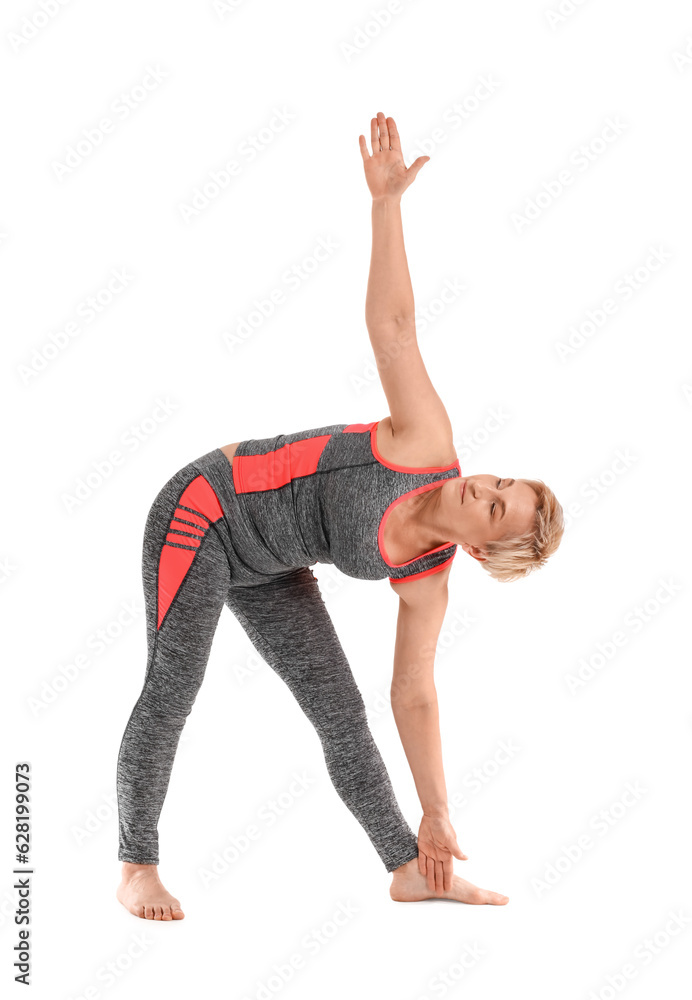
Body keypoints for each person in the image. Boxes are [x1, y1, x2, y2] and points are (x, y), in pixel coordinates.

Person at [115, 112, 564, 920]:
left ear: (486, 547)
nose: (481, 487)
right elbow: (392, 327)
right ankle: (137, 865)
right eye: (498, 480)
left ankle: (406, 867)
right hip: (203, 508)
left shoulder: (428, 579)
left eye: (496, 507)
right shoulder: (427, 442)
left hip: (270, 563)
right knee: (175, 686)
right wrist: (386, 205)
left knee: (341, 710)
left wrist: (436, 809)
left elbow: (414, 695)